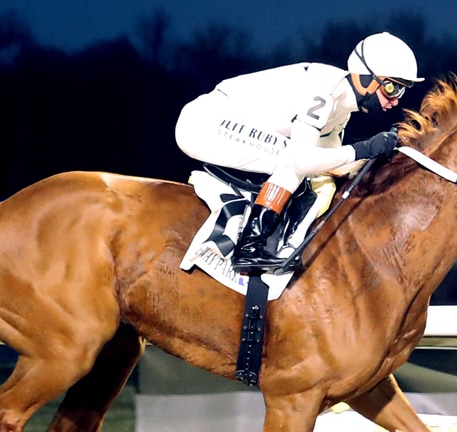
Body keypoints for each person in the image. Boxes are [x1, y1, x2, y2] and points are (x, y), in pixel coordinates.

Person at [175, 31, 423, 274]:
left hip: (214, 123)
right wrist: (365, 148)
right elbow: (303, 161)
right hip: (204, 123)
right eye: (391, 88)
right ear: (364, 78)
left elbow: (330, 164)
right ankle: (249, 247)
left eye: (402, 91)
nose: (396, 100)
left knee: (308, 170)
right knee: (292, 161)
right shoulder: (323, 93)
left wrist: (377, 160)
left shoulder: (340, 113)